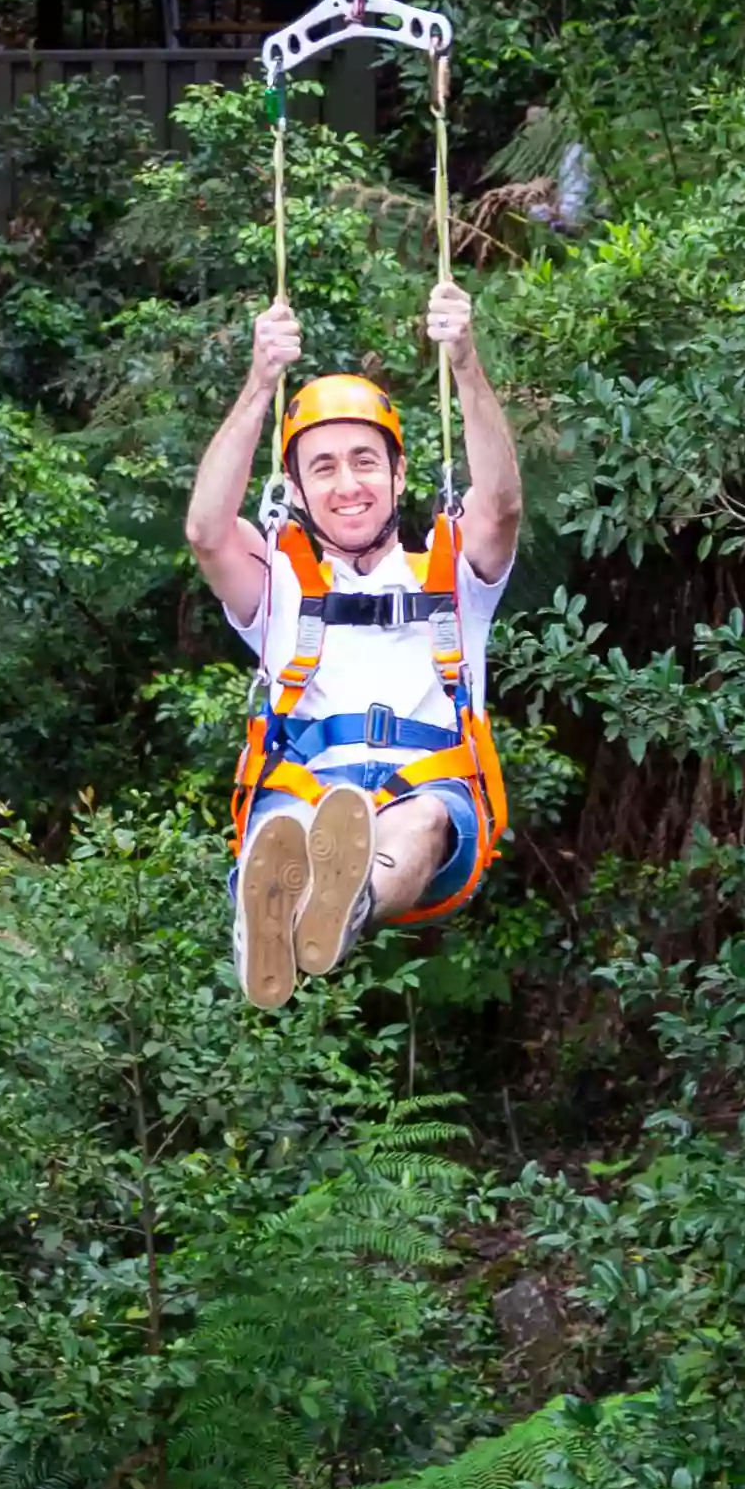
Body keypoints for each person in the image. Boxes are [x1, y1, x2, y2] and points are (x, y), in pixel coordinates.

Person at [189, 280, 524, 1006]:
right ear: (298, 492)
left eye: (366, 461)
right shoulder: (278, 581)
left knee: (425, 816)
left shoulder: (453, 571)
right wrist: (260, 383)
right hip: (305, 791)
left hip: (426, 784)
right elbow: (206, 532)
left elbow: (501, 504)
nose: (349, 484)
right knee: (292, 829)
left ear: (400, 476)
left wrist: (464, 362)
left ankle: (345, 907)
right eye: (324, 467)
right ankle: (281, 908)